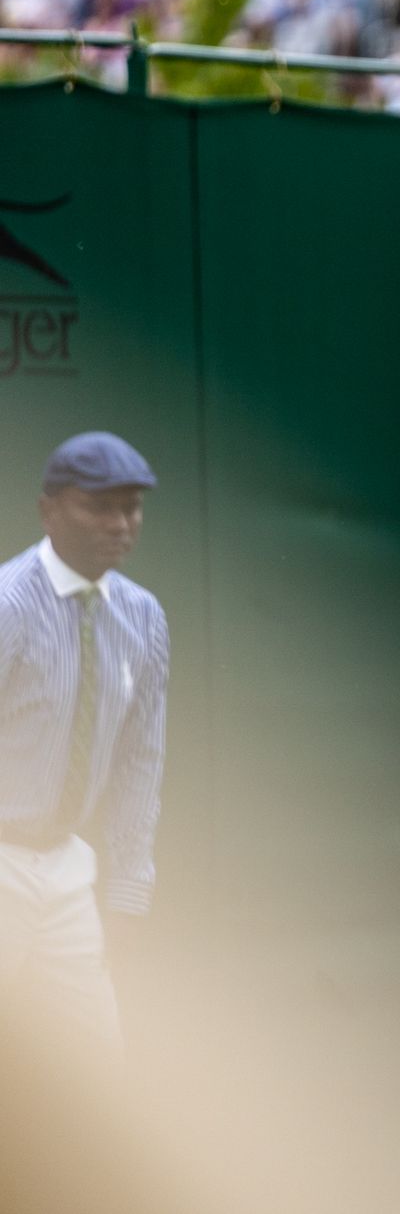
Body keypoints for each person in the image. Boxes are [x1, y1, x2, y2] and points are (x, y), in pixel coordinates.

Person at [0, 432, 168, 1056]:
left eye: (131, 508)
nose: (120, 524)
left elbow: (139, 765)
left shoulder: (144, 616)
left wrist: (128, 890)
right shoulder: (8, 606)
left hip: (69, 871)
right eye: (99, 507)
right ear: (49, 511)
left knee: (93, 1069)